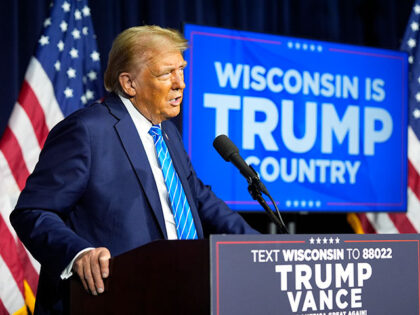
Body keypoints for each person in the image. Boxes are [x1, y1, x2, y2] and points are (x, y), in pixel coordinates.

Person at [10, 25, 258, 314]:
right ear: (129, 84)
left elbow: (199, 198)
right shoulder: (87, 131)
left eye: (181, 70)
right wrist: (77, 254)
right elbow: (33, 212)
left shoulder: (167, 133)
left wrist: (258, 247)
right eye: (167, 73)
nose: (181, 83)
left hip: (178, 292)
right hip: (110, 298)